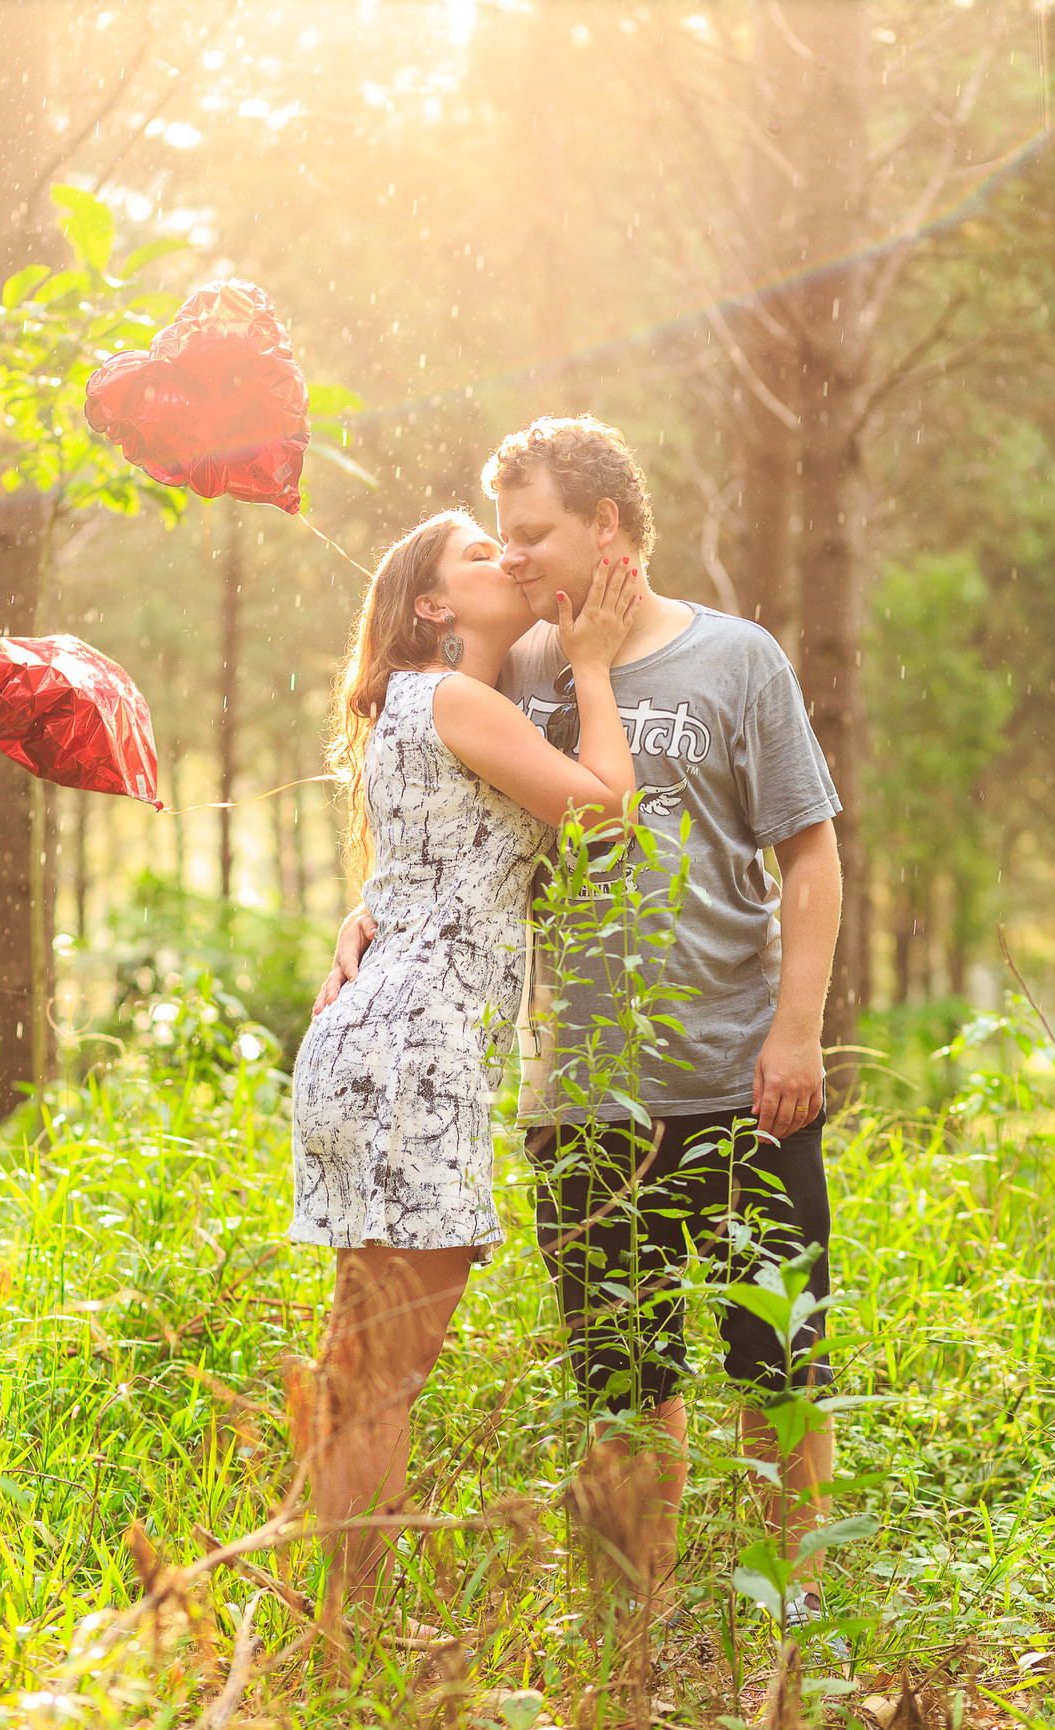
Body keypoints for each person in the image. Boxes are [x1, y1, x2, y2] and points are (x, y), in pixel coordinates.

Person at [319, 418, 844, 1632]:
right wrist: (370, 913)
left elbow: (808, 852)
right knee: (626, 1383)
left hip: (736, 1070)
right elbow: (447, 809)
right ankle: (633, 1640)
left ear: (607, 527)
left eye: (534, 532)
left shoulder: (737, 658)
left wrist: (797, 1030)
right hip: (582, 1092)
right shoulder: (520, 668)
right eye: (499, 537)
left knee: (781, 1363)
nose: (513, 559)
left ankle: (797, 1616)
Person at [291, 507, 640, 1629]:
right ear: (435, 607)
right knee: (382, 1383)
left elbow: (424, 867)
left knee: (359, 1376)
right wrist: (591, 667)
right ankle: (351, 1640)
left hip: (373, 1045)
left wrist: (362, 917)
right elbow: (605, 814)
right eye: (481, 555)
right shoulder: (456, 697)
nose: (510, 560)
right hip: (415, 1057)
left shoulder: (414, 704)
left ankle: (330, 1627)